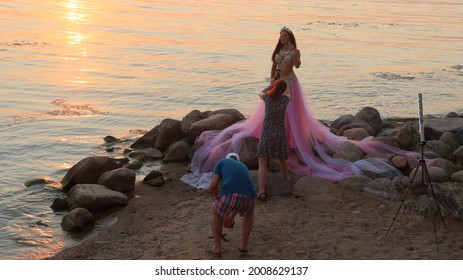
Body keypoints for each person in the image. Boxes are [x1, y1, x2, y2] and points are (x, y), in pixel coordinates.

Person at [181, 26, 421, 190]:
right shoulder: (277, 52)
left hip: (290, 85)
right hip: (277, 83)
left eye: (285, 35)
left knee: (291, 115)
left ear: (291, 37)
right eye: (281, 36)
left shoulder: (294, 51)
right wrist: (270, 82)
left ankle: (292, 142)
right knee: (272, 115)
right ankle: (283, 141)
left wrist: (294, 55)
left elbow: (297, 66)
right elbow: (273, 68)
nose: (283, 38)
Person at [207, 152, 257, 258]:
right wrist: (231, 215)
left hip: (231, 194)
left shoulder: (221, 162)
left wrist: (216, 197)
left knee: (215, 211)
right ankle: (243, 246)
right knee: (249, 213)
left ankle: (216, 247)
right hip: (250, 196)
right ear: (237, 161)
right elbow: (240, 197)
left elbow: (212, 185)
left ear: (226, 158)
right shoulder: (243, 166)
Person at [257, 79, 290, 201]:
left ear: (274, 88)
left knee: (262, 163)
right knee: (282, 159)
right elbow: (289, 93)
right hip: (280, 133)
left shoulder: (267, 98)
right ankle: (286, 180)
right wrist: (285, 87)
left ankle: (261, 192)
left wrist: (269, 86)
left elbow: (260, 92)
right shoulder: (285, 100)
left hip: (267, 133)